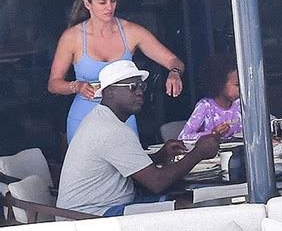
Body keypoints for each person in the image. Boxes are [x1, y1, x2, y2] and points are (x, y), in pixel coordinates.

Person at [56, 60, 220, 216]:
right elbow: (157, 183)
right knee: (187, 206)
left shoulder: (102, 119)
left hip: (98, 210)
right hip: (91, 218)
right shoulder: (111, 129)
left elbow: (123, 164)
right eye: (132, 87)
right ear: (109, 92)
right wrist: (199, 152)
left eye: (142, 86)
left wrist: (159, 156)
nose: (140, 92)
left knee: (183, 200)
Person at [48, 0, 184, 143]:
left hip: (122, 116)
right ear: (87, 3)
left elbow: (173, 61)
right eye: (102, 2)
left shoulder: (131, 32)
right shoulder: (72, 37)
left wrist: (175, 72)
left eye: (113, 1)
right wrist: (76, 86)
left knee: (130, 168)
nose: (109, 7)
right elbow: (53, 84)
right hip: (84, 115)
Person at [178, 53, 241, 140]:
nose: (241, 89)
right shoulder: (205, 106)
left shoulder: (239, 105)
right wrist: (212, 133)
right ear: (220, 84)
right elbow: (183, 137)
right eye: (237, 84)